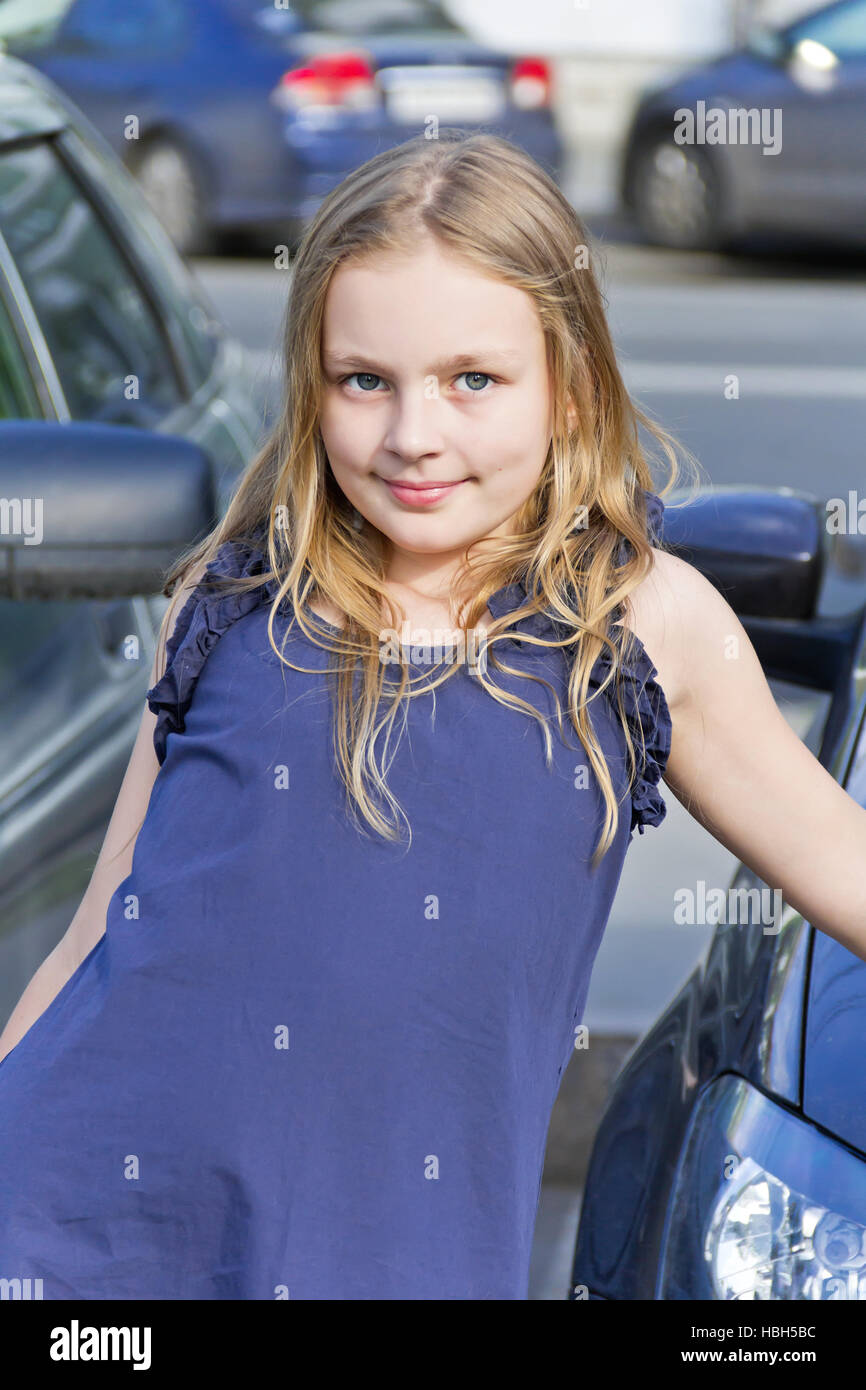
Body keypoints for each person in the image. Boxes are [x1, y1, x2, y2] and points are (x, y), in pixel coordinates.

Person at [1, 131, 864, 1301]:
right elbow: (106, 921)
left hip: (394, 1254)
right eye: (365, 380)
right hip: (76, 1233)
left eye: (473, 380)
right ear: (311, 387)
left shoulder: (639, 620)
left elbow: (841, 866)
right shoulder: (235, 595)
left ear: (569, 384)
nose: (413, 435)